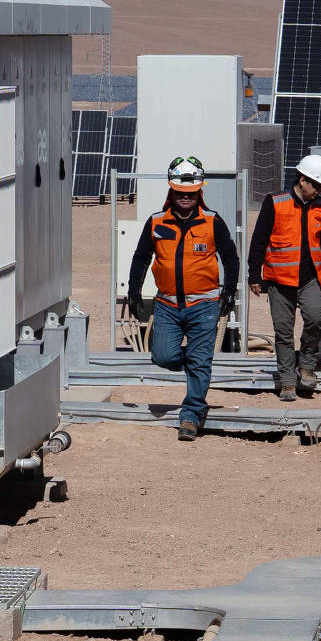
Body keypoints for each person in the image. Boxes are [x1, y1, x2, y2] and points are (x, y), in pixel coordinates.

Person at [126, 154, 237, 441]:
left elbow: (230, 257)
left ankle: (190, 416)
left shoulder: (213, 222)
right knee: (163, 355)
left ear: (199, 191)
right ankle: (198, 369)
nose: (185, 198)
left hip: (204, 305)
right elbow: (141, 258)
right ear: (171, 191)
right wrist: (134, 291)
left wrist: (230, 291)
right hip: (167, 305)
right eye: (180, 194)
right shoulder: (156, 222)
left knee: (201, 360)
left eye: (190, 194)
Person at [247, 154, 321, 400]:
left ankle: (306, 365)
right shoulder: (275, 202)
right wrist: (254, 275)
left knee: (316, 318)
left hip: (311, 278)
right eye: (315, 185)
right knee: (283, 331)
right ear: (302, 180)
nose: (318, 191)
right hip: (279, 279)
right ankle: (287, 380)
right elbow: (259, 240)